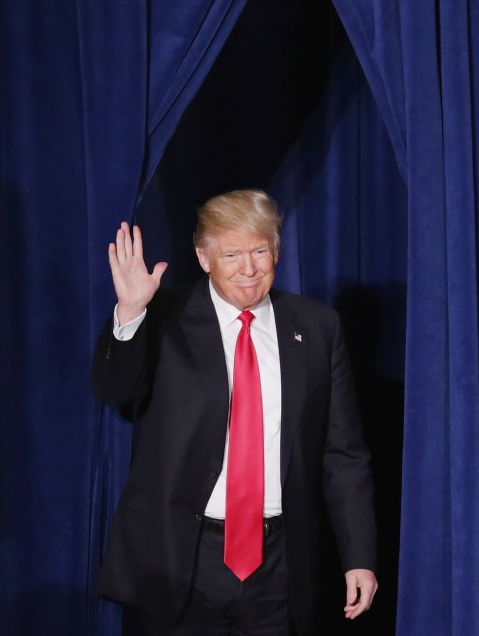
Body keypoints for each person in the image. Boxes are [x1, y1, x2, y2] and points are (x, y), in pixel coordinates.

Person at [92, 189, 377, 634]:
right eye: (231, 254)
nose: (248, 268)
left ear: (276, 252)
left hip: (279, 563)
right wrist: (131, 310)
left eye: (260, 250)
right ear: (203, 257)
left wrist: (359, 557)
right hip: (181, 558)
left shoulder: (318, 327)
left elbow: (343, 454)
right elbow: (114, 390)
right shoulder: (164, 316)